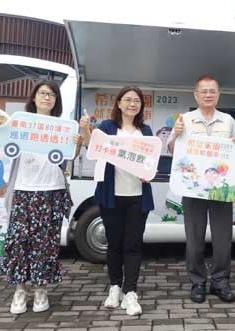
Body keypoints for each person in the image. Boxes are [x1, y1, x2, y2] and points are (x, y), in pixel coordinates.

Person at [0, 80, 83, 315]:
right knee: (19, 242)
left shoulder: (63, 126)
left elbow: (70, 155)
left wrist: (78, 145)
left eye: (51, 94)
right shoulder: (19, 123)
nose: (46, 98)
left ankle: (41, 289)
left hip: (52, 190)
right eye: (42, 93)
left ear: (56, 100)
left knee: (46, 244)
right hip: (23, 190)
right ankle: (20, 290)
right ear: (33, 97)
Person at [167, 74, 235, 303]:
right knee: (194, 238)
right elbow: (173, 150)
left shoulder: (228, 120)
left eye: (212, 91)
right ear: (196, 95)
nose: (208, 95)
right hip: (192, 189)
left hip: (221, 189)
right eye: (204, 91)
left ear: (218, 94)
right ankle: (198, 282)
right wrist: (176, 135)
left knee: (223, 238)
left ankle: (220, 282)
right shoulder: (185, 119)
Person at [79, 86, 154, 316]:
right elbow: (95, 149)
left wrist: (147, 172)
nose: (132, 104)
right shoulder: (107, 127)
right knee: (114, 244)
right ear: (119, 103)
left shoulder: (146, 130)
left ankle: (130, 292)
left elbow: (151, 161)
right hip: (111, 196)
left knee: (132, 245)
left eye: (137, 101)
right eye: (128, 100)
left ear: (141, 106)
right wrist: (85, 132)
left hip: (137, 197)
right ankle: (114, 287)